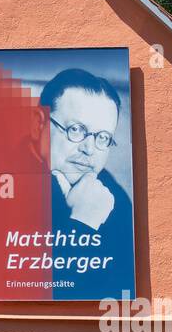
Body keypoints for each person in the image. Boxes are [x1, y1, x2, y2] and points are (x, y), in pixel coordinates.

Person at [38, 67, 135, 293]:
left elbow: (120, 290)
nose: (89, 149)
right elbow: (46, 294)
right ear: (39, 123)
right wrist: (83, 223)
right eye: (76, 129)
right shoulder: (5, 188)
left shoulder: (115, 198)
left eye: (103, 137)